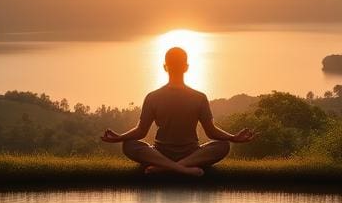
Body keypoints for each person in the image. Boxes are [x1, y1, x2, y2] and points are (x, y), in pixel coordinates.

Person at [102, 46, 256, 176]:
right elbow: (211, 132)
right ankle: (183, 169)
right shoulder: (196, 97)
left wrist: (120, 138)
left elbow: (141, 131)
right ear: (186, 67)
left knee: (223, 145)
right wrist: (233, 138)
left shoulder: (157, 96)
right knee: (129, 144)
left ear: (164, 67)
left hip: (175, 154)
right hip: (168, 152)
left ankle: (164, 167)